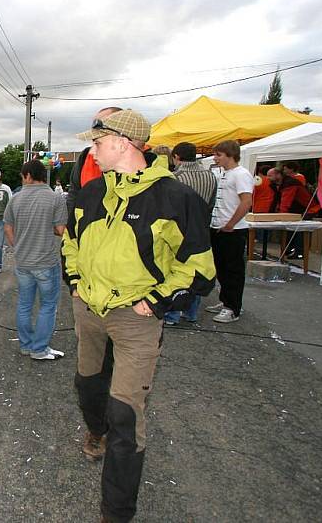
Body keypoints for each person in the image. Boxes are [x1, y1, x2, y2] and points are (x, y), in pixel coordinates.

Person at [65, 109, 215, 522]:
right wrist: (75, 280)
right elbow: (71, 243)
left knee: (125, 416)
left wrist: (159, 299)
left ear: (123, 142)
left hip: (136, 319)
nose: (91, 148)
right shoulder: (92, 193)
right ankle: (95, 430)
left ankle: (116, 513)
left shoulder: (176, 198)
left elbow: (200, 268)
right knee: (88, 387)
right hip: (89, 310)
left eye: (97, 141)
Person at [3, 159, 68, 360]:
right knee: (48, 305)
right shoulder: (56, 199)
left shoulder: (15, 198)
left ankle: (26, 345)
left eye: (23, 176)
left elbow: (7, 228)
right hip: (46, 261)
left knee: (24, 304)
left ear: (28, 175)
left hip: (23, 261)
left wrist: (19, 246)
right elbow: (61, 230)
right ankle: (39, 349)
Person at [163, 141, 217, 325]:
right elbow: (211, 204)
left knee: (177, 268)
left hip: (179, 229)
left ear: (176, 156)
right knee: (197, 269)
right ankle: (191, 312)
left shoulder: (173, 177)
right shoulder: (210, 176)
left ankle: (173, 313)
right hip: (202, 226)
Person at [207, 140, 253, 323]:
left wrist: (231, 224)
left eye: (219, 155)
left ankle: (232, 307)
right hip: (218, 227)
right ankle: (226, 300)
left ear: (230, 155)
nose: (215, 158)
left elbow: (246, 201)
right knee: (221, 268)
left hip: (233, 230)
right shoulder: (222, 174)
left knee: (233, 270)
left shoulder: (241, 174)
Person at [267, 166, 322, 258]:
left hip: (308, 209)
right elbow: (276, 200)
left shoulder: (290, 184)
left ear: (278, 175)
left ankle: (300, 252)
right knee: (290, 229)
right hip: (296, 210)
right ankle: (289, 249)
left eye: (270, 176)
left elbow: (285, 202)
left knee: (299, 229)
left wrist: (279, 216)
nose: (268, 178)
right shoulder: (280, 184)